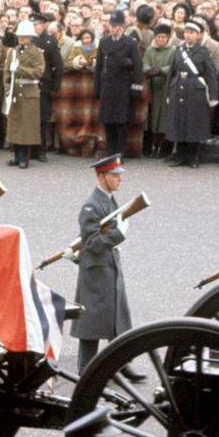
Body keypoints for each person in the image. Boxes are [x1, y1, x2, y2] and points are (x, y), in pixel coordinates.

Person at [72, 155, 134, 373]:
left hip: (108, 264)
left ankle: (121, 362)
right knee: (92, 321)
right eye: (115, 175)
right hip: (96, 268)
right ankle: (85, 368)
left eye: (119, 175)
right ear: (101, 176)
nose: (120, 179)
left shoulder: (108, 200)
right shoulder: (91, 206)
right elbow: (92, 243)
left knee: (117, 315)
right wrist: (119, 234)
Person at [165, 20, 217, 168]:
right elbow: (171, 73)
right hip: (178, 87)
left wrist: (213, 96)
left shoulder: (203, 52)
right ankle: (180, 156)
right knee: (179, 121)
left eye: (192, 33)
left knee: (193, 123)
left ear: (198, 35)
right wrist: (169, 92)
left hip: (195, 90)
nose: (188, 36)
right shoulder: (178, 50)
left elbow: (211, 75)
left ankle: (193, 157)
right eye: (187, 33)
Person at [94, 10, 141, 157]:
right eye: (111, 25)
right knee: (108, 120)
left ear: (121, 27)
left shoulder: (130, 43)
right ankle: (110, 149)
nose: (112, 29)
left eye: (115, 26)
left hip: (123, 87)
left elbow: (138, 68)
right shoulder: (104, 41)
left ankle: (119, 151)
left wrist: (136, 88)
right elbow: (99, 66)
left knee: (121, 121)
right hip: (107, 86)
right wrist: (97, 87)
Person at [4, 19, 46, 169]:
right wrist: (7, 87)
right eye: (20, 35)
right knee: (14, 126)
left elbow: (38, 72)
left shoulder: (37, 53)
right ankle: (16, 155)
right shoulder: (13, 52)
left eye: (25, 35)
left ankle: (24, 157)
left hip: (29, 92)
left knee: (26, 127)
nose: (21, 38)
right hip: (15, 91)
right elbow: (6, 72)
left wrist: (20, 69)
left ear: (31, 37)